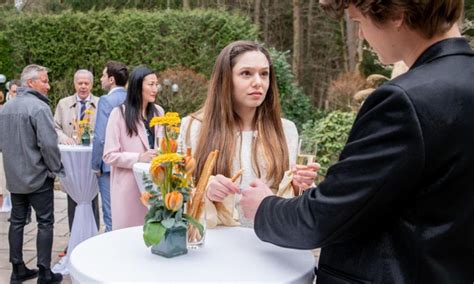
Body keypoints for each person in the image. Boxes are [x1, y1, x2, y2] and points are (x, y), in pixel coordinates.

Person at [241, 0, 474, 282]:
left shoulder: (404, 100)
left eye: (358, 22)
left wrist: (264, 208)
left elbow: (326, 216)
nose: (361, 36)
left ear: (396, 13)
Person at [180, 40, 317, 227]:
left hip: (269, 242)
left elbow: (293, 200)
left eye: (264, 74)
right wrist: (205, 191)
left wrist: (298, 185)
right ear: (225, 79)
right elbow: (174, 195)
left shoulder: (286, 130)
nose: (258, 82)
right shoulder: (193, 127)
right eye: (246, 73)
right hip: (216, 246)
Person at [0, 64, 63, 283]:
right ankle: (44, 273)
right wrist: (55, 170)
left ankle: (17, 270)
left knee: (17, 222)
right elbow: (48, 145)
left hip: (15, 178)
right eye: (44, 81)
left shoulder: (5, 108)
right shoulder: (39, 108)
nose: (48, 85)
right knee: (45, 223)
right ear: (30, 83)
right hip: (38, 178)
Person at [103, 66, 164, 230]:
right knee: (128, 240)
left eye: (156, 84)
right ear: (138, 85)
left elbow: (163, 146)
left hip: (155, 186)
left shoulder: (159, 112)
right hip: (128, 190)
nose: (155, 89)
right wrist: (138, 157)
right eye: (151, 84)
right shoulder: (119, 114)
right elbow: (109, 155)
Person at [54, 69, 100, 256]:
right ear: (75, 84)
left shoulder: (100, 103)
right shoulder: (64, 104)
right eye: (79, 83)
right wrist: (63, 137)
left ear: (91, 85)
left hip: (91, 163)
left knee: (92, 199)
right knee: (73, 199)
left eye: (86, 83)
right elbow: (54, 126)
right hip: (72, 162)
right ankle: (75, 240)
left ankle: (94, 240)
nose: (83, 86)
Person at [91, 60, 129, 232]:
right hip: (130, 161)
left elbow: (100, 137)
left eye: (103, 75)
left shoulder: (106, 101)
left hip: (110, 164)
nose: (100, 79)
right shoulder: (133, 99)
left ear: (112, 79)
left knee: (111, 215)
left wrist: (95, 165)